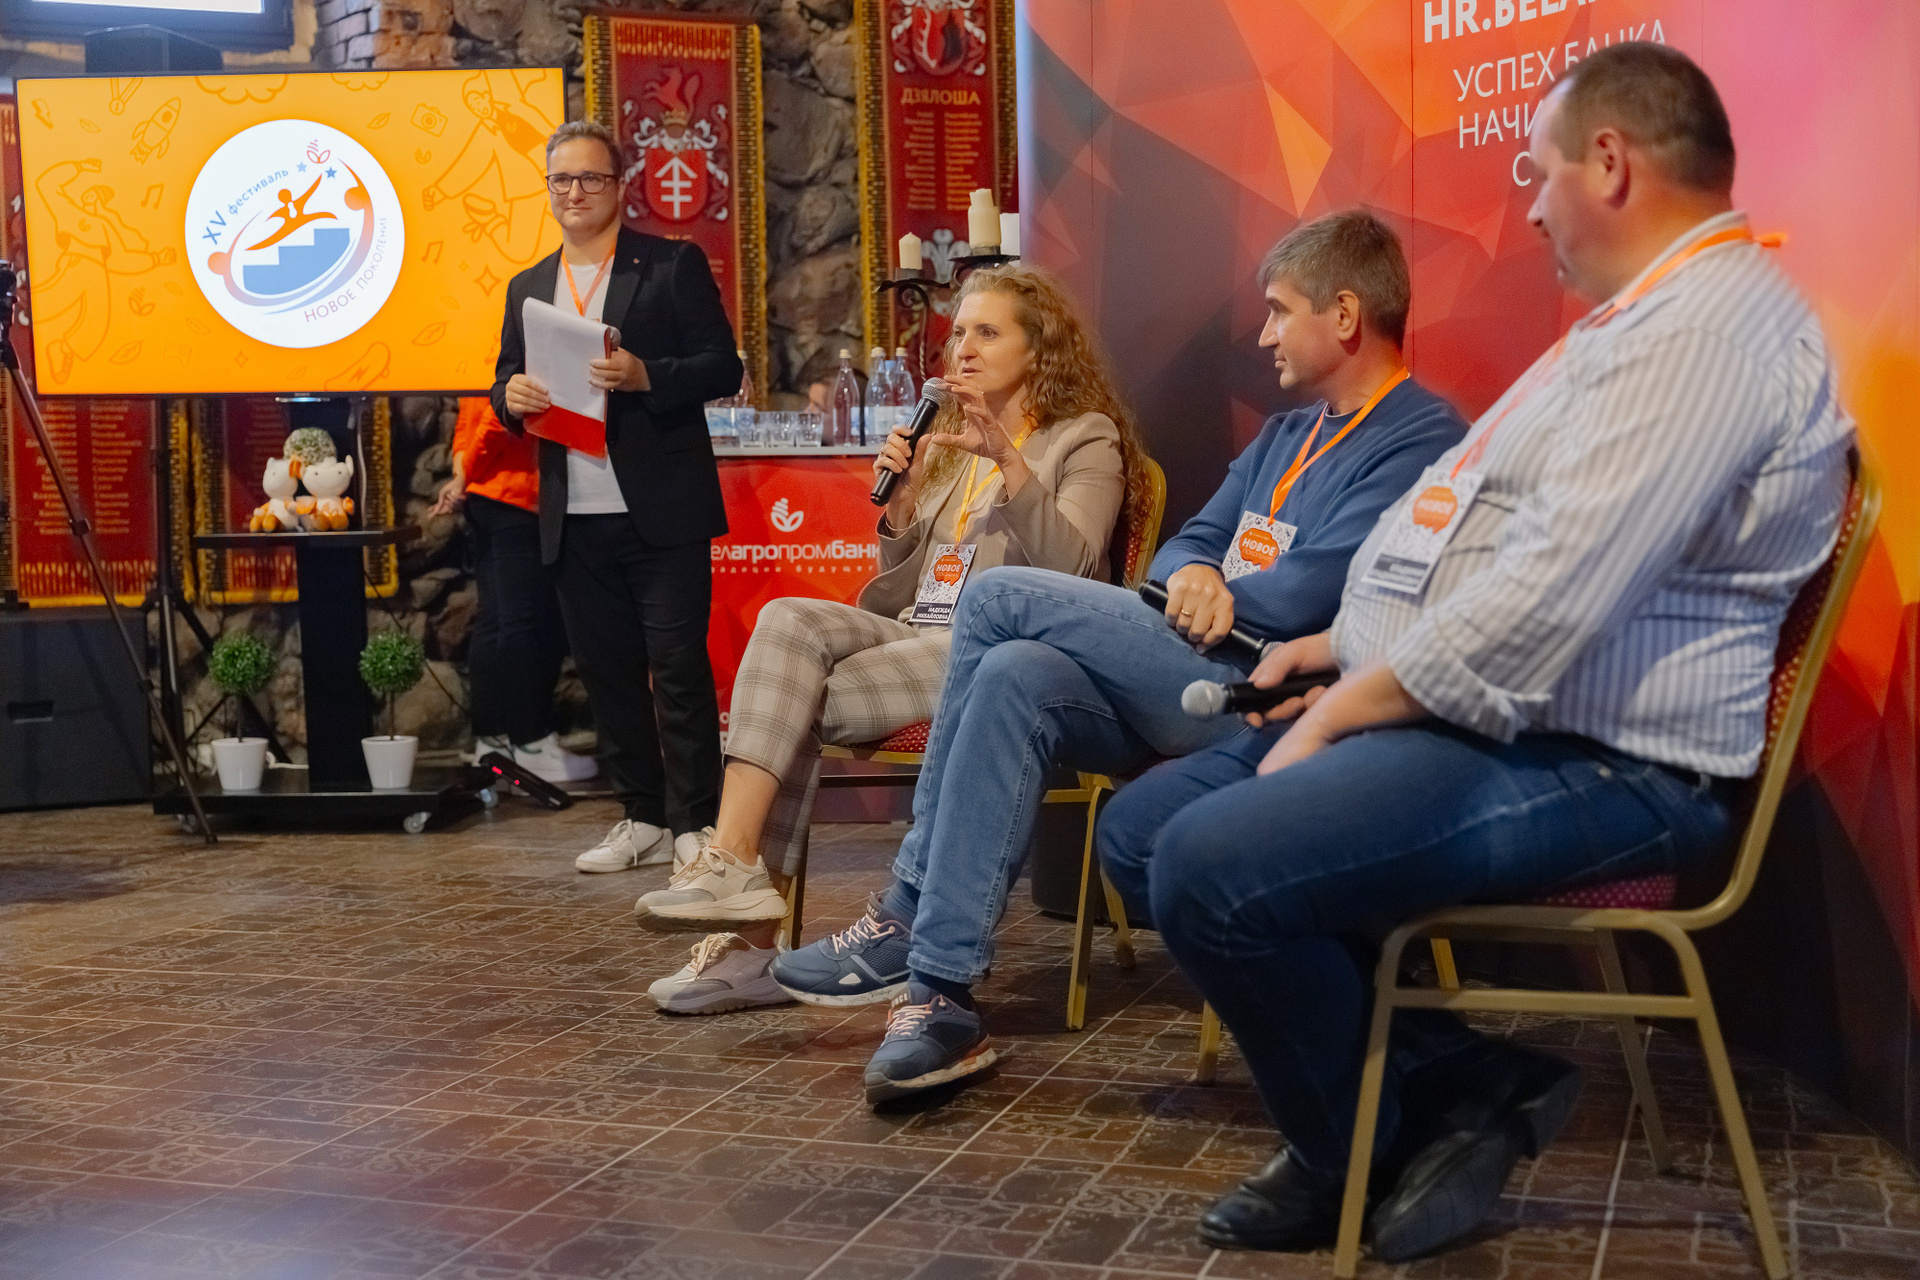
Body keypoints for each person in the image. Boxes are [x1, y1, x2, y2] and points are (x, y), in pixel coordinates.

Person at [1097, 44, 1854, 1263]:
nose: (1532, 204)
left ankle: (1355, 1144)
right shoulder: (1630, 327)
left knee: (1209, 862)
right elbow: (1449, 529)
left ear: (1611, 163)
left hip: (1615, 764)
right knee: (1151, 836)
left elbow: (1545, 602)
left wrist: (1344, 711)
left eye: (1539, 173)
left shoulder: (1712, 334)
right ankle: (1456, 1089)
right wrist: (1337, 653)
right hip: (1500, 717)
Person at [768, 211, 1470, 1103]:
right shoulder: (1286, 434)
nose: (1263, 334)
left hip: (1270, 687)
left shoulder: (1420, 435)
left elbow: (1324, 584)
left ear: (1343, 314)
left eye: (1278, 312)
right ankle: (940, 995)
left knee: (997, 598)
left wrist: (1221, 597)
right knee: (1014, 673)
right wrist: (1195, 576)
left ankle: (905, 905)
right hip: (1187, 657)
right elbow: (1189, 543)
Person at [633, 263, 1145, 1016]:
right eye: (959, 332)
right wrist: (901, 510)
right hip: (920, 631)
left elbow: (1075, 571)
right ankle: (732, 862)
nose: (964, 348)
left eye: (988, 332)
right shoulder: (947, 441)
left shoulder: (1084, 437)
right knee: (786, 620)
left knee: (790, 699)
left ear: (1039, 349)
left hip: (998, 653)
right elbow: (904, 593)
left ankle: (748, 944)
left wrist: (1009, 462)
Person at [492, 120, 743, 872]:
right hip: (571, 513)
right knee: (607, 675)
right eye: (561, 179)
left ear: (620, 185)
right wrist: (511, 398)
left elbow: (722, 366)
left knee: (678, 670)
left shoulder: (669, 264)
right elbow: (504, 380)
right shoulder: (528, 285)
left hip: (660, 507)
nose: (575, 192)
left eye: (590, 178)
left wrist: (646, 375)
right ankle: (642, 817)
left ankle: (696, 821)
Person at [431, 397, 597, 783]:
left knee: (496, 619)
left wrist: (463, 473)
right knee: (526, 621)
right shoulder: (507, 356)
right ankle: (530, 742)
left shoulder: (473, 362)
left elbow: (466, 423)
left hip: (488, 493)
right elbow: (498, 416)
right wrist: (464, 476)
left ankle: (493, 741)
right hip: (516, 493)